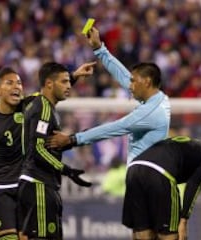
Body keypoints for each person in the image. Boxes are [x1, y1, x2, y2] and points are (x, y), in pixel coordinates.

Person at [0, 63, 95, 240]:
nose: (17, 87)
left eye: (19, 83)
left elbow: (52, 90)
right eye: (10, 83)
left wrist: (74, 75)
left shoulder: (29, 106)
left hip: (25, 187)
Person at [46, 27, 171, 165]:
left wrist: (72, 139)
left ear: (146, 82)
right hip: (147, 172)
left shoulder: (150, 112)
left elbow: (114, 128)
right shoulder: (157, 98)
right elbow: (124, 76)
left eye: (134, 81)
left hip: (146, 175)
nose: (130, 85)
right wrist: (100, 49)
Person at [18, 62, 92, 240]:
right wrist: (66, 170)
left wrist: (74, 75)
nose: (68, 86)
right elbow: (38, 148)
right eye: (64, 82)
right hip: (38, 184)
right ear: (49, 84)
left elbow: (47, 144)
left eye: (69, 82)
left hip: (39, 184)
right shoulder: (43, 108)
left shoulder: (43, 104)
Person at [123, 136, 201, 240]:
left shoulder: (194, 148)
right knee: (170, 234)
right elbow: (193, 185)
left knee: (142, 233)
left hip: (134, 168)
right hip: (161, 172)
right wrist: (183, 220)